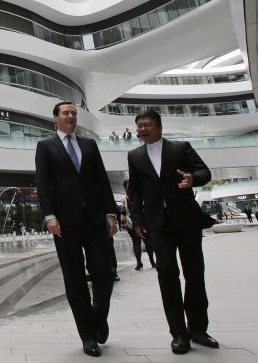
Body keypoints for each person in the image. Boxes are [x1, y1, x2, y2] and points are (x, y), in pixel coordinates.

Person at [126, 110, 219, 355]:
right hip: (157, 225)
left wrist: (192, 178)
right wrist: (136, 219)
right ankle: (179, 334)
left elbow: (204, 172)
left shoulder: (180, 148)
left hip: (186, 221)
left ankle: (198, 329)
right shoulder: (134, 155)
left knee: (195, 275)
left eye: (146, 125)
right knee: (167, 276)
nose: (141, 130)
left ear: (159, 126)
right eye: (138, 126)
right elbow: (134, 191)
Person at [35, 101, 118, 357]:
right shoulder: (45, 146)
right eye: (66, 113)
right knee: (75, 280)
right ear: (55, 119)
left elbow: (102, 180)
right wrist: (49, 215)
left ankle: (99, 317)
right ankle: (87, 335)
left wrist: (111, 212)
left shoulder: (89, 145)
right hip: (64, 224)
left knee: (104, 272)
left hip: (94, 220)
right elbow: (43, 184)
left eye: (73, 113)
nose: (71, 116)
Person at [122, 179, 155, 270]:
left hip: (143, 223)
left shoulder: (140, 196)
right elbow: (123, 212)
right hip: (131, 224)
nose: (129, 188)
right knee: (136, 243)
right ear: (125, 188)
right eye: (127, 187)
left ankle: (152, 261)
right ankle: (139, 263)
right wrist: (123, 223)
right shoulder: (124, 198)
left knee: (148, 243)